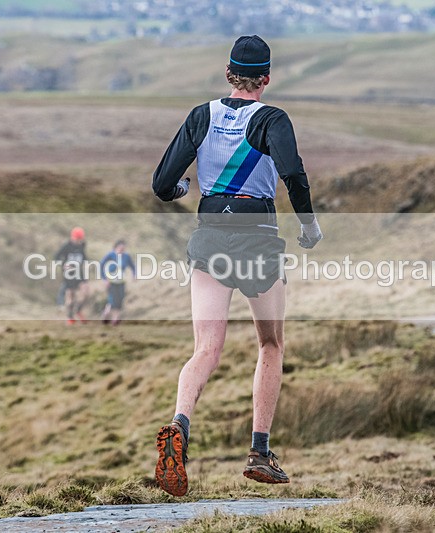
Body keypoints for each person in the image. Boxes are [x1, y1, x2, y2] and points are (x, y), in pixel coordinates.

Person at [151, 35, 323, 497]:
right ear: (266, 78)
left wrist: (181, 193)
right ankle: (259, 452)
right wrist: (309, 226)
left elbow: (163, 182)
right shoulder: (273, 120)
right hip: (258, 241)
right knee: (270, 344)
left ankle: (179, 426)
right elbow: (293, 175)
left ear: (229, 74)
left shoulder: (201, 115)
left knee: (205, 348)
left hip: (209, 238)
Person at [55, 227, 89, 325]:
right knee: (70, 296)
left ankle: (78, 310)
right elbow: (56, 257)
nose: (79, 241)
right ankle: (70, 317)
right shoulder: (66, 246)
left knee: (86, 292)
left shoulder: (82, 246)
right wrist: (63, 264)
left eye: (80, 239)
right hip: (69, 274)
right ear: (72, 237)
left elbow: (84, 258)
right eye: (77, 239)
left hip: (80, 273)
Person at [100, 240, 136, 325]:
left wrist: (134, 275)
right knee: (112, 300)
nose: (122, 250)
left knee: (120, 300)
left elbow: (133, 266)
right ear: (116, 247)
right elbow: (101, 265)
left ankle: (115, 319)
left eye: (123, 249)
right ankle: (106, 313)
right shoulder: (110, 255)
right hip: (111, 282)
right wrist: (104, 279)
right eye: (120, 248)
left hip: (121, 282)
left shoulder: (126, 256)